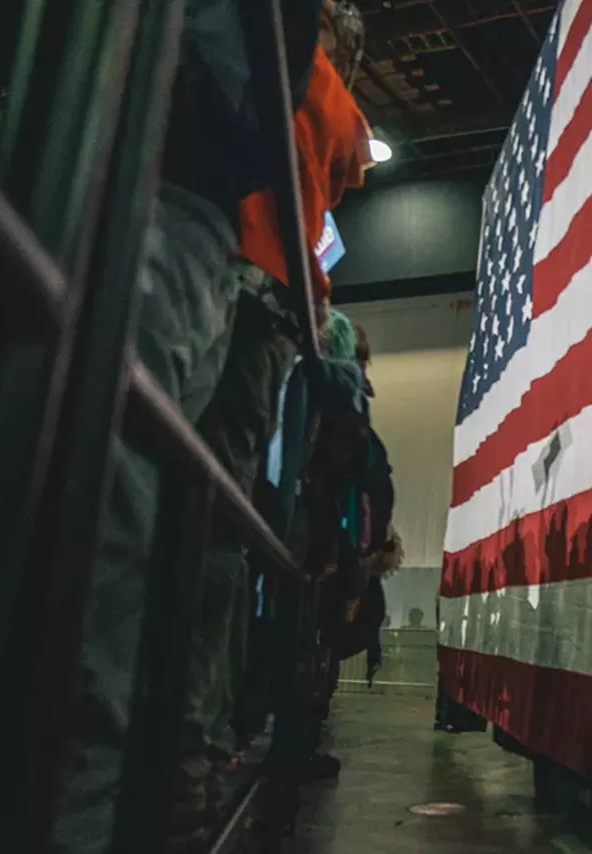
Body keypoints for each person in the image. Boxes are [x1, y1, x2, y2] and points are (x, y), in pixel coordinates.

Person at [52, 3, 324, 852]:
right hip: (203, 230)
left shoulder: (286, 88)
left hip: (169, 200)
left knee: (104, 538)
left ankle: (127, 793)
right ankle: (171, 771)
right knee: (156, 538)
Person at [171, 4, 373, 844]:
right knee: (222, 520)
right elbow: (344, 171)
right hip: (270, 307)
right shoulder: (342, 111)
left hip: (211, 257)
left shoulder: (275, 65)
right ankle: (191, 740)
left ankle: (179, 735)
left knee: (175, 499)